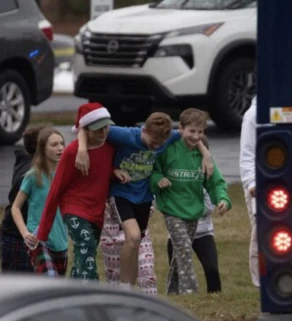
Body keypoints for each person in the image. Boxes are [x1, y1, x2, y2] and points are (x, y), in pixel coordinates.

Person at [75, 112, 213, 290]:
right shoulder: (125, 135)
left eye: (159, 145)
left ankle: (130, 290)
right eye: (152, 142)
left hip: (144, 197)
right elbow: (83, 127)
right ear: (144, 130)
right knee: (132, 236)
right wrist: (82, 150)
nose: (155, 147)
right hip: (121, 193)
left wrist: (206, 154)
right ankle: (123, 287)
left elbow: (191, 136)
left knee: (136, 242)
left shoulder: (167, 136)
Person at [37, 102, 124, 281]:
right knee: (86, 248)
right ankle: (90, 297)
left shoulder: (110, 147)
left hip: (97, 212)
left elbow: (103, 170)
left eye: (106, 128)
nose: (103, 133)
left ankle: (70, 296)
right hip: (74, 209)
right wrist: (43, 233)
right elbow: (55, 191)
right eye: (98, 129)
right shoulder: (72, 152)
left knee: (83, 257)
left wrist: (115, 172)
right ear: (86, 130)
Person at [151, 108, 231, 294]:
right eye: (191, 131)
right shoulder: (168, 149)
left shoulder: (203, 157)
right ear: (181, 129)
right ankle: (190, 294)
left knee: (179, 256)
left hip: (193, 211)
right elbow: (152, 169)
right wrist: (157, 179)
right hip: (172, 211)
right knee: (185, 250)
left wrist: (222, 199)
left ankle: (172, 293)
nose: (196, 137)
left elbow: (215, 182)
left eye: (200, 132)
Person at [11, 127, 68, 276]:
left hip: (61, 241)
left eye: (62, 143)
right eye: (54, 145)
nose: (60, 148)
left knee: (56, 291)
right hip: (38, 240)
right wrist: (24, 232)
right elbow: (15, 207)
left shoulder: (68, 175)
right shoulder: (33, 176)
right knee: (50, 278)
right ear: (42, 149)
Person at [0, 124, 46, 272]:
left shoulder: (37, 167)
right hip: (17, 237)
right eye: (53, 143)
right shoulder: (29, 173)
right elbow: (18, 206)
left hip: (29, 236)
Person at [167, 190, 222, 293]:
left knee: (212, 269)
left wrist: (184, 208)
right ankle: (176, 300)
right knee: (176, 272)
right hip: (177, 233)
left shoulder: (205, 175)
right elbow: (165, 203)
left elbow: (209, 207)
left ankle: (215, 298)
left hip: (203, 232)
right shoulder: (173, 175)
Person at [101, 202, 158, 295]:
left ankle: (149, 308)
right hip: (112, 226)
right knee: (114, 280)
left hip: (138, 226)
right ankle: (116, 308)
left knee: (147, 274)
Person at [240, 96, 260, 287]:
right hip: (259, 186)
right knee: (261, 234)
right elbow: (247, 154)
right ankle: (259, 282)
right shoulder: (253, 115)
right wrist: (252, 183)